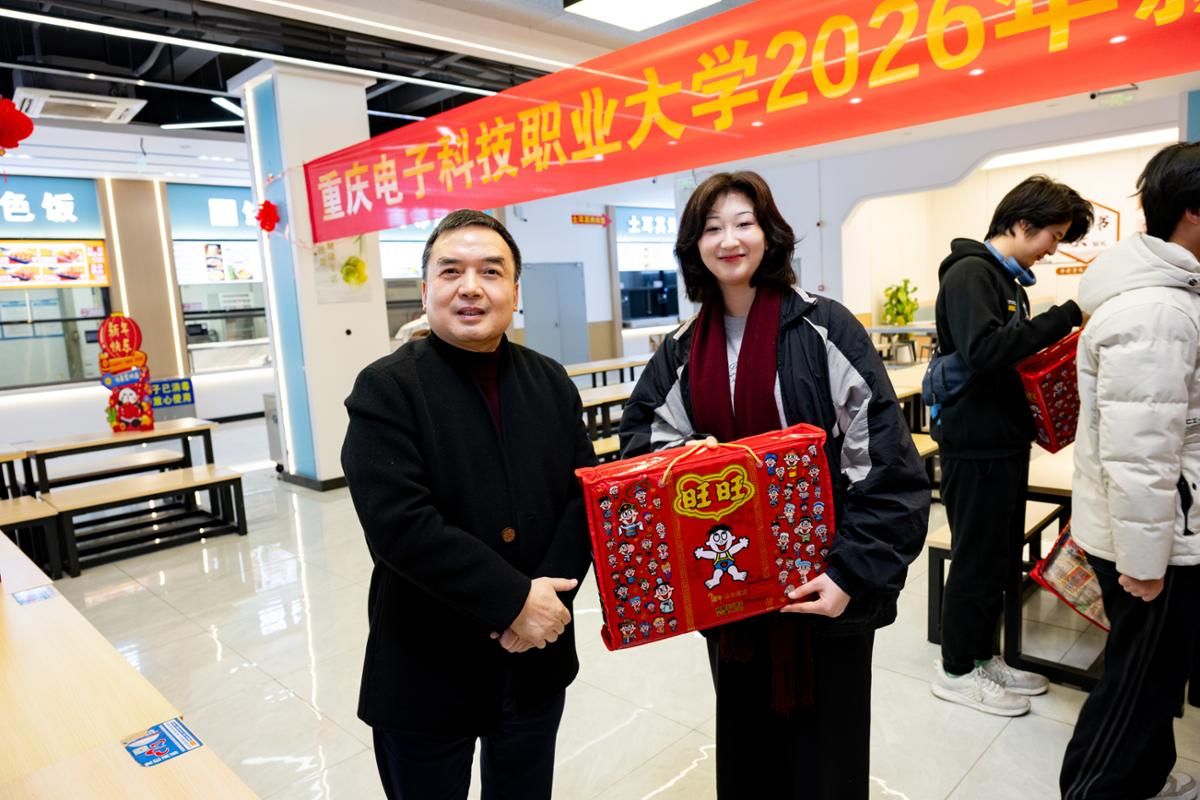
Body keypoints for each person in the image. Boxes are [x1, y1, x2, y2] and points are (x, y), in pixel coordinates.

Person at [619, 171, 930, 799]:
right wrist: (686, 459)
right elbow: (640, 448)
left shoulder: (823, 328)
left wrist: (849, 575)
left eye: (744, 223)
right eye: (711, 228)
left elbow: (886, 463)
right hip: (730, 591)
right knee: (748, 753)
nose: (729, 240)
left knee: (828, 760)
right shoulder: (681, 349)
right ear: (694, 246)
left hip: (823, 588)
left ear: (770, 234)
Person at [341, 209, 596, 799]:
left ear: (515, 291)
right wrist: (513, 602)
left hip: (535, 659)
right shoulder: (387, 388)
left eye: (491, 271)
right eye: (451, 271)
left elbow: (583, 496)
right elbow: (400, 526)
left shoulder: (550, 381)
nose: (471, 287)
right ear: (425, 289)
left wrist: (545, 606)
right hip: (427, 668)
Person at [1060, 142, 1200, 800]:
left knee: (1154, 675)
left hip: (1162, 527)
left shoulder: (1167, 297)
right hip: (1152, 540)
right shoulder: (1156, 311)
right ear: (1193, 212)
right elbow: (1140, 451)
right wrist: (1145, 561)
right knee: (1134, 687)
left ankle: (1146, 779)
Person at [930, 175, 1093, 716]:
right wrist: (1064, 316)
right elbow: (983, 351)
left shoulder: (1007, 282)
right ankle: (956, 670)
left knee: (998, 560)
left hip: (1002, 441)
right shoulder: (970, 273)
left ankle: (984, 656)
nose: (1053, 248)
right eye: (1053, 235)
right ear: (1023, 223)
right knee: (975, 560)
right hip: (973, 444)